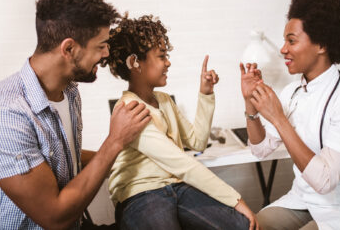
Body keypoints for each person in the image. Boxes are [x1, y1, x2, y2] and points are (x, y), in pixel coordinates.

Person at [0, 0, 151, 229]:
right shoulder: (1, 115)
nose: (106, 53)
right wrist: (115, 141)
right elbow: (54, 217)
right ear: (69, 49)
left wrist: (137, 160)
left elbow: (61, 158)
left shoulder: (69, 92)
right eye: (101, 45)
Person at [240, 0, 340, 230]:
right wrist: (251, 106)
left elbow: (325, 180)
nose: (283, 49)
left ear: (321, 45)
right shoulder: (292, 92)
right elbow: (260, 149)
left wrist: (279, 118)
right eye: (284, 41)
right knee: (250, 225)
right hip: (304, 201)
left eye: (291, 40)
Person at [106, 14, 259, 230]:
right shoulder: (129, 110)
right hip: (141, 195)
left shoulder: (164, 101)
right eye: (161, 56)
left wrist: (205, 94)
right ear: (135, 63)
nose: (168, 62)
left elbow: (196, 142)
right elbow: (182, 163)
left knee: (241, 225)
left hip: (177, 186)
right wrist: (235, 199)